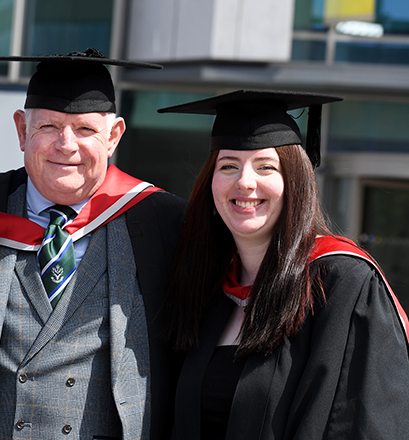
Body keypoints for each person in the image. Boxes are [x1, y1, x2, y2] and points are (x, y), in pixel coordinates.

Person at [0, 49, 186, 440]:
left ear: (113, 137)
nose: (66, 144)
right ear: (21, 130)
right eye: (48, 126)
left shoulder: (163, 222)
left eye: (85, 129)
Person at [158, 89, 409, 440]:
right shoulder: (204, 287)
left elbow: (366, 422)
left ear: (295, 182)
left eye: (266, 167)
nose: (245, 181)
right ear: (209, 182)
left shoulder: (342, 284)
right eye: (228, 165)